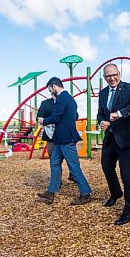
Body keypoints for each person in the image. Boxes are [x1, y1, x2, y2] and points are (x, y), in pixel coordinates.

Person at [97, 63, 130, 225]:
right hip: (110, 137)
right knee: (107, 167)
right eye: (108, 76)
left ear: (119, 73)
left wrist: (120, 113)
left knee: (127, 176)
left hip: (125, 139)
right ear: (105, 78)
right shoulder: (103, 93)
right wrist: (102, 121)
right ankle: (116, 193)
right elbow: (100, 113)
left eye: (114, 74)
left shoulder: (129, 88)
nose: (112, 78)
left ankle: (128, 210)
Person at [36, 77, 92, 206]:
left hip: (66, 138)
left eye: (50, 90)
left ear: (54, 86)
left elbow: (56, 116)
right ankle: (51, 192)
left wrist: (43, 121)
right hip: (59, 139)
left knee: (73, 166)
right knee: (54, 163)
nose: (50, 93)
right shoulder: (70, 99)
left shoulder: (62, 98)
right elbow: (73, 116)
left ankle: (86, 193)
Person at [36, 94, 75, 183]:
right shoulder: (46, 103)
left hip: (65, 133)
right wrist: (48, 121)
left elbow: (75, 115)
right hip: (51, 136)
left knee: (70, 157)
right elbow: (39, 118)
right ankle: (58, 179)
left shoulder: (66, 101)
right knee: (53, 158)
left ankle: (73, 174)